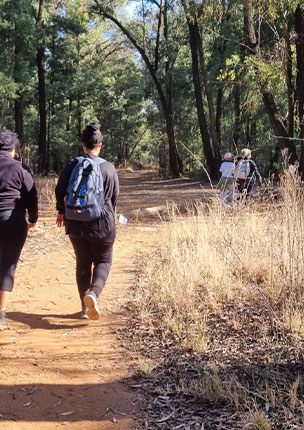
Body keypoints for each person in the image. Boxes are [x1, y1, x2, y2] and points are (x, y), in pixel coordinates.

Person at [55, 122, 119, 320]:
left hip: (74, 221)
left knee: (83, 263)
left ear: (83, 145)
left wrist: (61, 211)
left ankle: (84, 307)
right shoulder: (108, 168)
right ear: (100, 145)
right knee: (103, 260)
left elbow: (60, 190)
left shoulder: (72, 164)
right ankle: (94, 293)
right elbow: (114, 196)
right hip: (101, 223)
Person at [0, 129, 38, 330]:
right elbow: (32, 197)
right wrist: (33, 219)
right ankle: (1, 315)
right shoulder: (21, 169)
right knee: (7, 266)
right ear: (13, 150)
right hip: (13, 221)